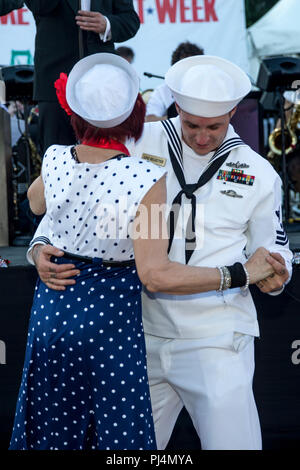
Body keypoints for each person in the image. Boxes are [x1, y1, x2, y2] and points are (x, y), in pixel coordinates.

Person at [10, 53, 283, 451]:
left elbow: (270, 257)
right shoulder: (136, 143)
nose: (203, 136)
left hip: (216, 338)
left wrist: (275, 277)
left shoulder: (259, 172)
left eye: (215, 126)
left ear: (234, 114)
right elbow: (75, 203)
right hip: (137, 333)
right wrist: (38, 247)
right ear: (176, 108)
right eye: (192, 125)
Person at [25, 0, 140, 155]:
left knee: (103, 154)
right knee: (57, 154)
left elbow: (130, 20)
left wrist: (107, 24)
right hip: (55, 78)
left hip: (100, 82)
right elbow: (40, 6)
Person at [145, 41, 204, 122]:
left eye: (192, 66)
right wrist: (176, 118)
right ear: (175, 67)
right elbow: (149, 120)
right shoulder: (162, 90)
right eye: (184, 66)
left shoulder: (206, 88)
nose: (188, 71)